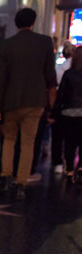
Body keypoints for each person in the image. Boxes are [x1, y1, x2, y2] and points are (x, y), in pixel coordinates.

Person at [0, 7, 57, 200]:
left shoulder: (6, 45)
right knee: (28, 142)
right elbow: (50, 76)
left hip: (10, 101)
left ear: (16, 23)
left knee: (9, 140)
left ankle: (5, 178)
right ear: (33, 22)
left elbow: (1, 78)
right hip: (35, 100)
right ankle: (21, 184)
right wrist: (51, 104)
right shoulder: (45, 43)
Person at [52, 46, 82, 183]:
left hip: (69, 112)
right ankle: (80, 168)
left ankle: (69, 170)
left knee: (69, 143)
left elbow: (61, 95)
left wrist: (54, 112)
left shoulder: (68, 74)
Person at [51, 41, 76, 174]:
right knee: (73, 139)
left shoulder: (60, 68)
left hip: (63, 106)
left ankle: (58, 163)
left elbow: (56, 89)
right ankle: (71, 166)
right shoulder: (74, 70)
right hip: (76, 108)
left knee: (59, 136)